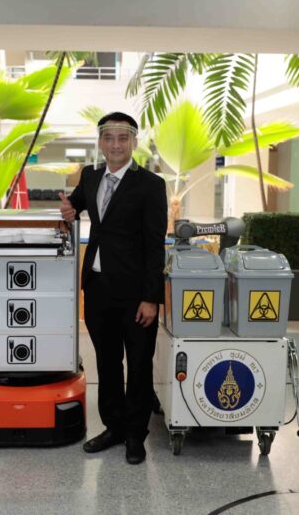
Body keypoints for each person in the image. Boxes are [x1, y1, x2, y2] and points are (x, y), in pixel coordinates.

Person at [59, 112, 167, 465]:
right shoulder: (90, 176)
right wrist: (69, 209)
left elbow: (155, 245)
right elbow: (76, 203)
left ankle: (135, 435)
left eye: (123, 138)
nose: (115, 144)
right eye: (109, 137)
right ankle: (114, 427)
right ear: (100, 142)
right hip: (98, 288)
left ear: (134, 142)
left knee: (138, 365)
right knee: (106, 363)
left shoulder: (151, 185)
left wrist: (151, 298)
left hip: (136, 294)